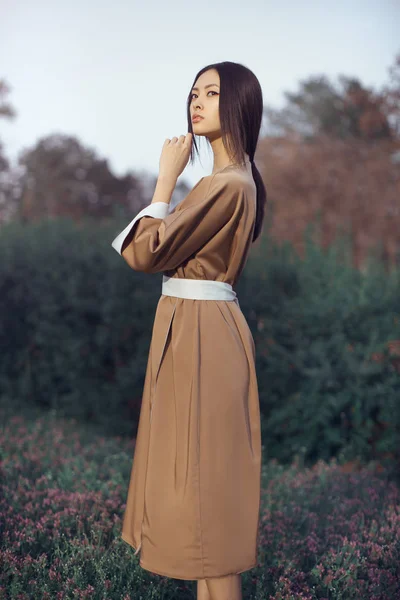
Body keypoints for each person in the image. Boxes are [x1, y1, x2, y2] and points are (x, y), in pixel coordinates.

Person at [111, 61, 267, 600]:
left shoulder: (225, 184)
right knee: (202, 508)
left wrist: (163, 179)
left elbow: (145, 251)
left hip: (203, 335)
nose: (197, 101)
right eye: (193, 92)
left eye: (212, 92)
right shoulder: (228, 182)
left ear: (240, 104)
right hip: (194, 330)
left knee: (209, 515)